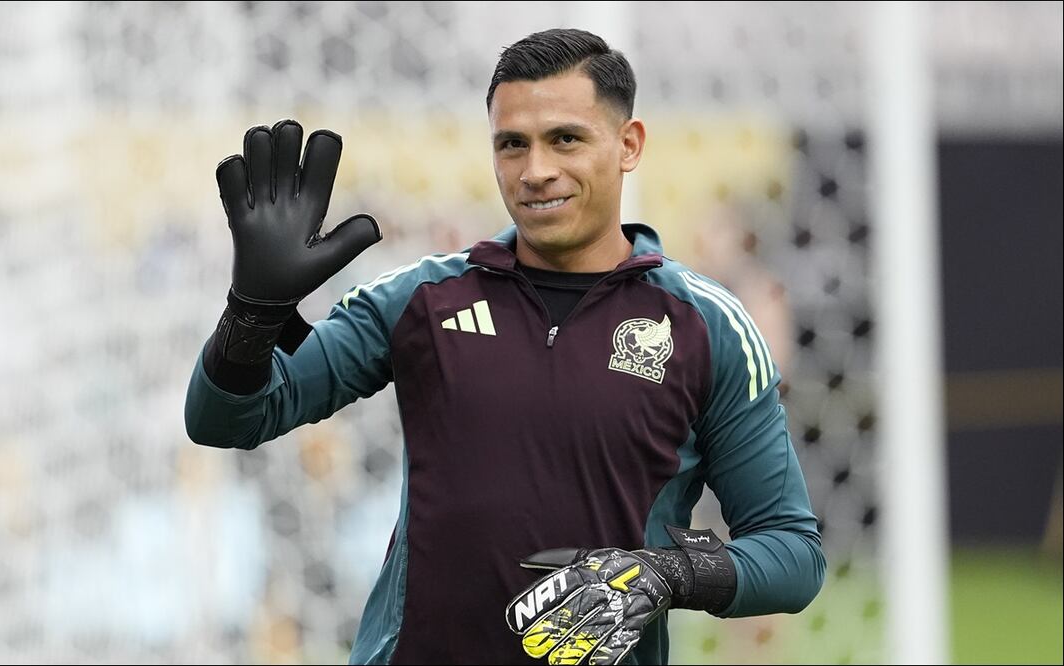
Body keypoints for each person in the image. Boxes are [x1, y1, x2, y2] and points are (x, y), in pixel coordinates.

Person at [185, 28, 825, 666]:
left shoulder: (706, 325)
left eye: (565, 139)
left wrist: (669, 573)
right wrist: (251, 313)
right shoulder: (421, 299)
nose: (536, 171)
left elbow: (794, 552)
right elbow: (227, 419)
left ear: (629, 145)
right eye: (512, 144)